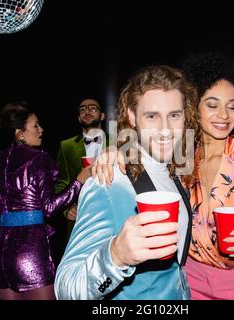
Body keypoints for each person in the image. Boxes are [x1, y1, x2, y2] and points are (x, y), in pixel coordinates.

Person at [93, 53, 234, 300]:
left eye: (232, 106)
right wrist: (115, 150)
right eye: (212, 105)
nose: (224, 115)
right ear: (193, 108)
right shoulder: (181, 156)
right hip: (190, 282)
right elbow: (146, 146)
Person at [54, 65, 198, 300]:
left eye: (174, 115)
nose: (165, 131)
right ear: (132, 116)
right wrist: (115, 257)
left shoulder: (174, 171)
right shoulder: (109, 182)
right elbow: (65, 289)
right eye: (152, 116)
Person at [0, 102, 91, 300]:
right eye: (36, 125)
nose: (41, 130)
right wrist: (79, 181)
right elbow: (49, 208)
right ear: (20, 133)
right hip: (29, 250)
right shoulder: (39, 159)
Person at [55, 97, 106, 245]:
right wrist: (67, 208)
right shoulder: (66, 146)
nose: (87, 111)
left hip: (112, 217)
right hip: (80, 221)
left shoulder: (118, 143)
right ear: (78, 118)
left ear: (102, 115)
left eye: (93, 108)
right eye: (82, 109)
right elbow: (60, 183)